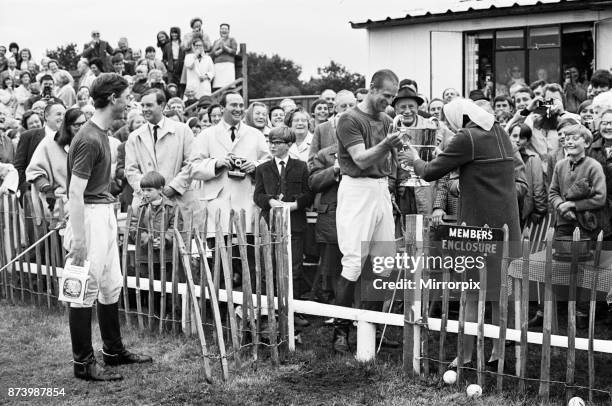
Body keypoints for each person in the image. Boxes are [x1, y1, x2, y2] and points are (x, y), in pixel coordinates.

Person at [401, 97, 521, 369]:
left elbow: (431, 172)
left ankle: (465, 356)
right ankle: (498, 355)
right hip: (506, 225)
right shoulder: (498, 130)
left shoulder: (467, 136)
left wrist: (414, 159)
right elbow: (486, 176)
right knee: (499, 294)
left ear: (459, 117)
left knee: (470, 291)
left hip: (478, 226)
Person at [65, 73, 152, 381]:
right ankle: (83, 363)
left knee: (111, 284)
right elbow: (75, 193)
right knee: (84, 289)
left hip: (103, 214)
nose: (130, 102)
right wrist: (78, 238)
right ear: (114, 98)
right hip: (88, 217)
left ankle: (112, 352)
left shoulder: (102, 134)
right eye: (127, 96)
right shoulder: (88, 138)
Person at [332, 69, 404, 353]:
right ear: (371, 88)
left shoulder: (386, 119)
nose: (388, 102)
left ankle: (370, 327)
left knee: (384, 261)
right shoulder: (349, 119)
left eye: (392, 97)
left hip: (380, 188)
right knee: (353, 260)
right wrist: (387, 144)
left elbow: (399, 157)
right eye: (385, 96)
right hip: (356, 188)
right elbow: (360, 159)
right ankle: (340, 329)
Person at [189, 91, 270, 235]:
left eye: (241, 105)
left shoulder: (256, 135)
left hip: (247, 203)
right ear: (222, 108)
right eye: (233, 105)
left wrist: (254, 167)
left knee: (246, 253)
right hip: (217, 207)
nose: (238, 109)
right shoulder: (206, 135)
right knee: (220, 254)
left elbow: (269, 165)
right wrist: (217, 164)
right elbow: (193, 168)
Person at [253, 126, 314, 298]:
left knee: (294, 267)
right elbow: (257, 196)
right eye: (270, 142)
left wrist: (295, 205)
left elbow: (309, 194)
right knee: (269, 267)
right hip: (270, 225)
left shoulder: (301, 166)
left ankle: (293, 310)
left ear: (289, 145)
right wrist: (270, 201)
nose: (272, 146)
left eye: (277, 143)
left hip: (294, 224)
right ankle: (269, 308)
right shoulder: (262, 168)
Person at [124, 89, 195, 212]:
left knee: (177, 230)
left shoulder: (183, 131)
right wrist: (150, 191)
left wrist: (174, 187)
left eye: (149, 105)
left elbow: (191, 164)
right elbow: (131, 170)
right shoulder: (134, 137)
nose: (145, 109)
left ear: (162, 105)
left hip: (178, 200)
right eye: (143, 105)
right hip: (146, 203)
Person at [26, 108, 85, 217]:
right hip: (59, 200)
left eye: (83, 124)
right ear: (67, 126)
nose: (81, 128)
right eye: (76, 125)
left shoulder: (88, 142)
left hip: (86, 198)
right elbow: (34, 172)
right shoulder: (50, 142)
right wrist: (47, 189)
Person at [508, 123, 547, 228]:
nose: (517, 140)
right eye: (514, 136)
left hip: (523, 207)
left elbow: (538, 186)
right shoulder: (503, 155)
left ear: (528, 141)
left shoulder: (533, 158)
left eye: (522, 137)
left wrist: (540, 210)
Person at [308, 90, 356, 166]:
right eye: (343, 106)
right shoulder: (321, 129)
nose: (348, 109)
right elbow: (312, 163)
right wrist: (332, 172)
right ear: (335, 108)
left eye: (351, 105)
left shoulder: (364, 127)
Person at [211, 23, 238, 91]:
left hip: (228, 65)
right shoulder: (216, 41)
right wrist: (222, 49)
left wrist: (225, 47)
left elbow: (234, 51)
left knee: (229, 85)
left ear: (228, 31)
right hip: (217, 65)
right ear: (220, 31)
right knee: (218, 85)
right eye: (222, 29)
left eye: (225, 29)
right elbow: (213, 53)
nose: (224, 30)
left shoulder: (232, 39)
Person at [163, 27, 185, 91]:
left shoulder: (183, 44)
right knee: (171, 85)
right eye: (172, 33)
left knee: (181, 84)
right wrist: (167, 63)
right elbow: (164, 58)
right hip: (171, 66)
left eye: (176, 33)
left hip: (181, 65)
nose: (174, 35)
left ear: (178, 34)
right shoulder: (167, 45)